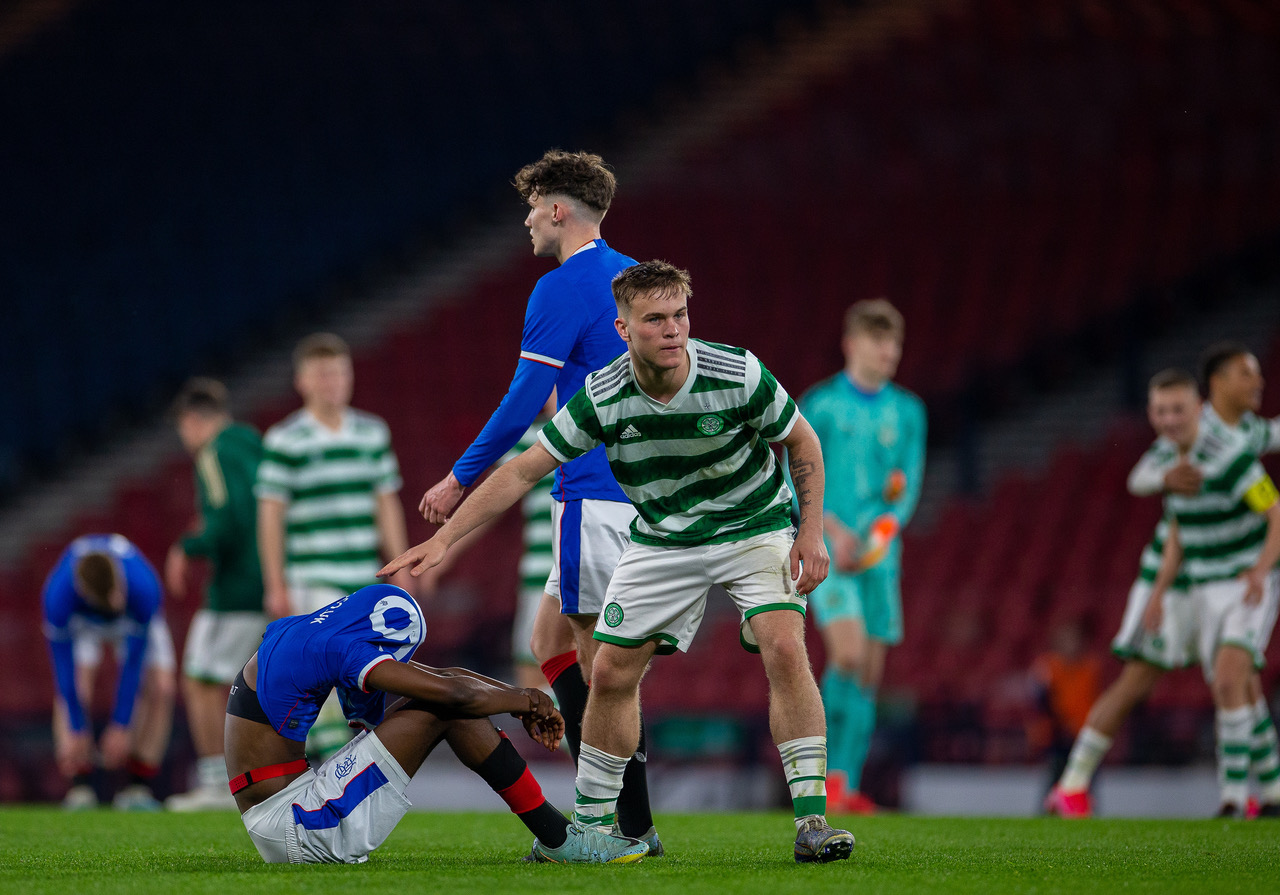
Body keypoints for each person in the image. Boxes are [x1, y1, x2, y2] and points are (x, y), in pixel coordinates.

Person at [386, 261, 855, 863]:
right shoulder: (604, 395)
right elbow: (524, 470)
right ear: (622, 329)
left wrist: (809, 532)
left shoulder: (737, 371)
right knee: (607, 674)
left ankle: (812, 822)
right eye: (654, 319)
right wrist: (446, 539)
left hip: (754, 525)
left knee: (784, 645)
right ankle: (591, 829)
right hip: (662, 539)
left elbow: (802, 441)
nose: (673, 330)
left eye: (680, 315)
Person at [416, 150, 657, 847]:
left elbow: (525, 400)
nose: (525, 220)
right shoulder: (636, 278)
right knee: (547, 641)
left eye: (532, 207)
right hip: (631, 492)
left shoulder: (560, 287)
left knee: (600, 667)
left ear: (558, 209)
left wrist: (460, 476)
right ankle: (613, 809)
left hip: (590, 491)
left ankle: (626, 825)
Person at [225, 582, 648, 864]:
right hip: (296, 826)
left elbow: (443, 677)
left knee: (442, 700)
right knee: (445, 709)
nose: (395, 665)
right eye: (392, 656)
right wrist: (524, 699)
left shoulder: (316, 631)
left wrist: (524, 700)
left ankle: (558, 840)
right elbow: (453, 695)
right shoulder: (344, 649)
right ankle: (561, 842)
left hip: (287, 811)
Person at [1047, 348, 1280, 817]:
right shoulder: (1176, 443)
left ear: (1196, 405)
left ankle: (1259, 793)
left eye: (1256, 374)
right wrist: (1163, 480)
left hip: (1222, 577)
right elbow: (1147, 488)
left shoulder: (1243, 437)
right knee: (1142, 678)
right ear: (1214, 387)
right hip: (1178, 581)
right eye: (1244, 375)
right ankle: (1072, 784)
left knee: (1237, 680)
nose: (1255, 384)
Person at [256, 332, 414, 760]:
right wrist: (275, 582)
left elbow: (386, 504)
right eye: (323, 374)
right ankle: (333, 768)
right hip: (313, 575)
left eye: (339, 372)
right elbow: (270, 516)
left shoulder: (371, 432)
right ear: (302, 381)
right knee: (327, 672)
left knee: (357, 679)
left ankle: (343, 768)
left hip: (362, 575)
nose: (333, 382)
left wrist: (400, 565)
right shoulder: (285, 439)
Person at [796, 299, 925, 813]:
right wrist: (827, 528)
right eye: (879, 341)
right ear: (852, 344)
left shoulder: (909, 411)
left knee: (869, 674)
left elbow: (907, 485)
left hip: (880, 556)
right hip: (829, 553)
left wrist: (874, 539)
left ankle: (844, 782)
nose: (889, 351)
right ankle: (819, 777)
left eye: (894, 342)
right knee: (846, 656)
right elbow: (795, 474)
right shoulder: (820, 405)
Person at [1142, 369, 1280, 817]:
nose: (1170, 419)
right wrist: (1159, 593)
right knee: (1244, 691)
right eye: (1161, 410)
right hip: (1203, 588)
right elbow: (1178, 532)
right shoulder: (1167, 463)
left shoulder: (1231, 456)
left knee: (1226, 683)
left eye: (1178, 408)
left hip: (1244, 584)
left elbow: (1276, 512)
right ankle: (1275, 786)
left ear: (1199, 408)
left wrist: (1261, 570)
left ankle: (1233, 797)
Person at [163, 378, 268, 811]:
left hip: (237, 586)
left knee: (200, 678)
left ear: (192, 421)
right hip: (270, 579)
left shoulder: (215, 452)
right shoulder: (255, 444)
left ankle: (216, 784)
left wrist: (186, 548)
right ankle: (245, 779)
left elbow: (228, 519)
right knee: (245, 683)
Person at [41, 534, 176, 810]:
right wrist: (77, 727)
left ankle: (138, 786)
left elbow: (133, 664)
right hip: (85, 621)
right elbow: (63, 670)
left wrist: (121, 725)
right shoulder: (58, 595)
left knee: (162, 688)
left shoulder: (143, 587)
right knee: (77, 690)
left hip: (133, 613)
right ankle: (80, 786)